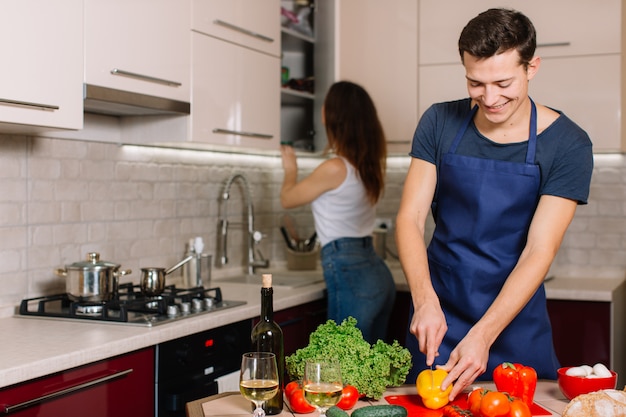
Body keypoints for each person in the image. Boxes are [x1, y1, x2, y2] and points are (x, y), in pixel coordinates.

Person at [395, 8, 593, 400]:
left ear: (531, 67)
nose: (489, 97)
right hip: (439, 318)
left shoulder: (568, 144)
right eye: (475, 83)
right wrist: (423, 300)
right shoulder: (439, 122)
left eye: (503, 83)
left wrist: (483, 334)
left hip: (515, 325)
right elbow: (410, 217)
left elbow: (540, 249)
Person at [280, 81, 396, 344]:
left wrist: (290, 170)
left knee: (340, 369)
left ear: (332, 115)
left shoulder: (335, 167)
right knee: (370, 375)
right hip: (376, 272)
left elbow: (287, 199)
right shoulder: (366, 165)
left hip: (351, 272)